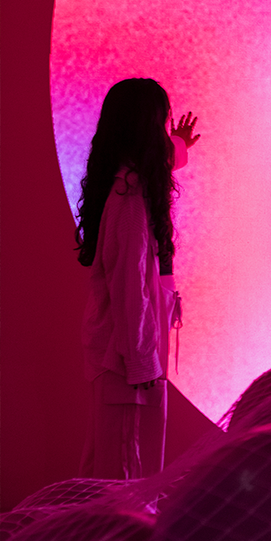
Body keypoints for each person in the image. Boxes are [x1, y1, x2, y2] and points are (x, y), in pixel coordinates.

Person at [75, 78, 200, 480]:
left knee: (108, 472)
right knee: (123, 481)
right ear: (146, 129)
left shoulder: (126, 179)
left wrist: (179, 146)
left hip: (122, 359)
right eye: (161, 125)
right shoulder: (129, 200)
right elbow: (130, 288)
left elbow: (161, 159)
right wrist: (143, 364)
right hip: (127, 363)